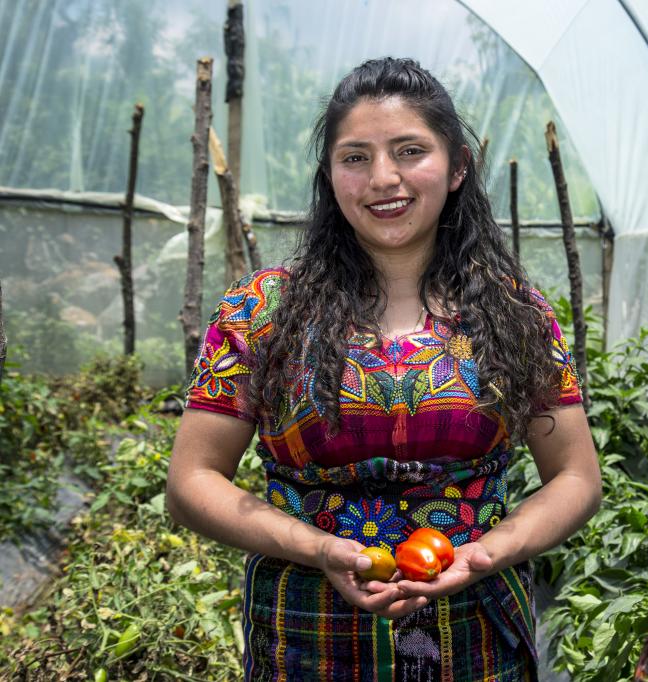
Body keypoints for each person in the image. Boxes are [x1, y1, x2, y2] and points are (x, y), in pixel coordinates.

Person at [166, 56, 601, 681]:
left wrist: (487, 553)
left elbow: (577, 477)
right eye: (355, 157)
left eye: (409, 150)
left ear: (457, 167)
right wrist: (316, 548)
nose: (383, 178)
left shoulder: (516, 315)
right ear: (329, 174)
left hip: (477, 639)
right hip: (304, 638)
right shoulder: (262, 311)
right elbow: (191, 481)